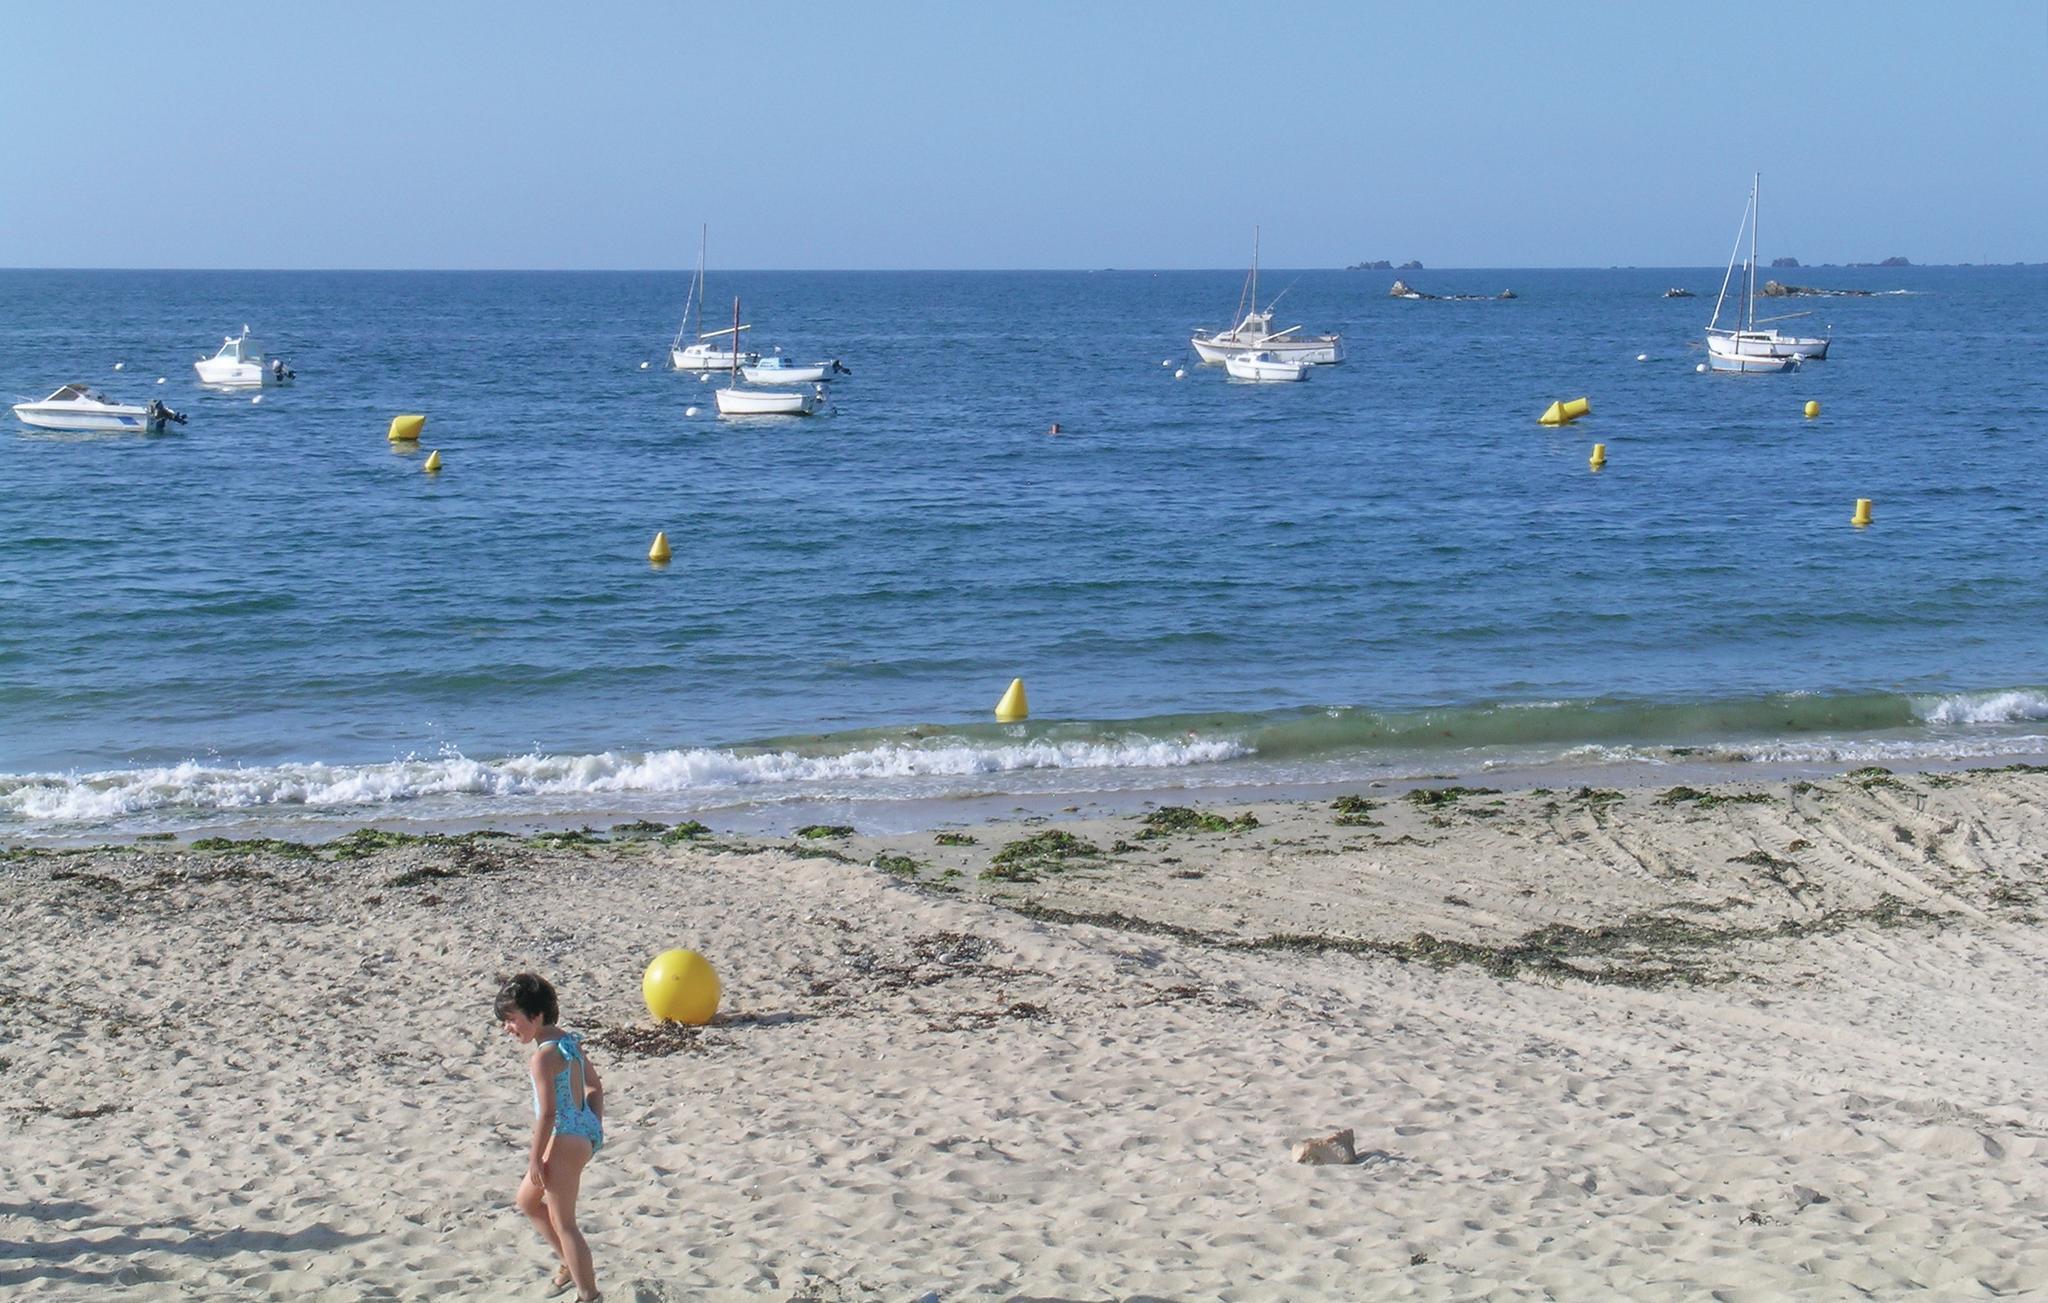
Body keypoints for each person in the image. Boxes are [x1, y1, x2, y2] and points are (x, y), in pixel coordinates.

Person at [495, 973, 605, 1302]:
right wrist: (592, 1126)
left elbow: (547, 1114)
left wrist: (534, 1159)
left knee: (564, 1222)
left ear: (536, 1014)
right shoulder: (568, 1041)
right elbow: (595, 1088)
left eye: (511, 1019)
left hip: (563, 1140)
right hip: (580, 1133)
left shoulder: (542, 1057)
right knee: (527, 1202)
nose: (507, 1028)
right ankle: (569, 1265)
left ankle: (589, 1295)